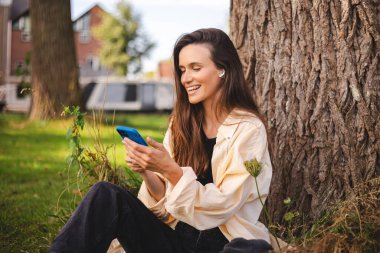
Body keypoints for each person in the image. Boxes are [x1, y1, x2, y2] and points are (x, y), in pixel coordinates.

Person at [49, 28, 274, 253]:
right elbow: (163, 203)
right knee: (106, 194)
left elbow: (224, 204)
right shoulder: (181, 124)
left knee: (250, 249)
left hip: (222, 240)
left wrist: (172, 171)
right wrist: (148, 171)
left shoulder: (248, 129)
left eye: (196, 68)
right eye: (182, 70)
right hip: (173, 239)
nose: (186, 78)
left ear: (223, 70)